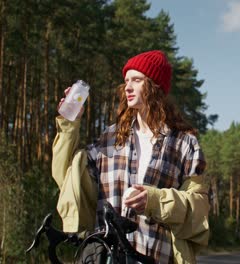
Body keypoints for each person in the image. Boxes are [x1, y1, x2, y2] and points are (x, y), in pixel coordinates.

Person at [51, 50, 210, 264]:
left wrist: (154, 201)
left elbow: (199, 208)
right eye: (126, 80)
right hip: (105, 257)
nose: (127, 87)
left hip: (156, 256)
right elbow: (66, 176)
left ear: (155, 86)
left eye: (136, 80)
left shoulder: (184, 144)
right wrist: (70, 124)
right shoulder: (110, 139)